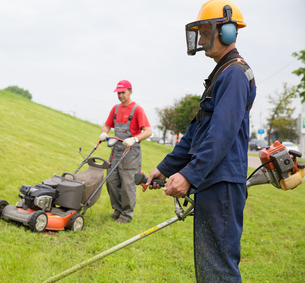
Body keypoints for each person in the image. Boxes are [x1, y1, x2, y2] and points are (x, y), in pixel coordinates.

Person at [146, 0, 256, 282]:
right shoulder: (220, 74)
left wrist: (190, 176)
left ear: (227, 32)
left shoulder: (234, 75)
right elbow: (198, 131)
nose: (202, 38)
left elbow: (221, 134)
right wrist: (167, 168)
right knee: (210, 266)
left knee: (218, 269)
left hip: (222, 184)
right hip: (213, 181)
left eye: (206, 30)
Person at [99, 80, 152, 223]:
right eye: (119, 92)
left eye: (123, 92)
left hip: (131, 152)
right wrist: (104, 133)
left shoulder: (137, 110)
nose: (121, 95)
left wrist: (135, 139)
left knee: (127, 185)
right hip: (116, 150)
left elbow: (148, 131)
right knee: (111, 181)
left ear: (130, 92)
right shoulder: (115, 109)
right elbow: (107, 125)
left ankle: (126, 215)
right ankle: (118, 210)